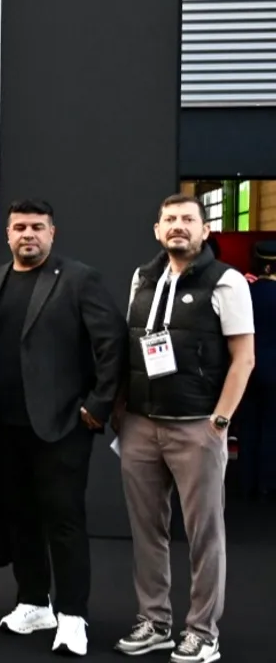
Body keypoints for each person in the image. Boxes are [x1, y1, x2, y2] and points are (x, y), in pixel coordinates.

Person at [0, 200, 127, 656]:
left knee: (64, 521)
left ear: (52, 233)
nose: (28, 234)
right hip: (4, 427)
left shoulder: (79, 279)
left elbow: (112, 343)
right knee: (20, 518)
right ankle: (33, 602)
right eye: (20, 227)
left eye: (37, 227)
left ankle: (73, 615)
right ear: (7, 234)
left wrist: (96, 406)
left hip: (62, 427)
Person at [115, 193, 254, 663]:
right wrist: (122, 411)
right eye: (170, 219)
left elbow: (244, 358)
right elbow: (131, 347)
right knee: (147, 532)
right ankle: (154, 622)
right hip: (141, 425)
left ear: (204, 230)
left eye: (188, 219)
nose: (178, 225)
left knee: (204, 535)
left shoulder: (226, 282)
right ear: (158, 230)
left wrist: (219, 422)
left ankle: (202, 632)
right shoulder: (142, 278)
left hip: (196, 427)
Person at [236, 240, 276, 501]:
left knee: (248, 425)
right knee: (272, 426)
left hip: (246, 369)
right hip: (274, 372)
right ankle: (267, 482)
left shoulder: (243, 294)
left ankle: (245, 481)